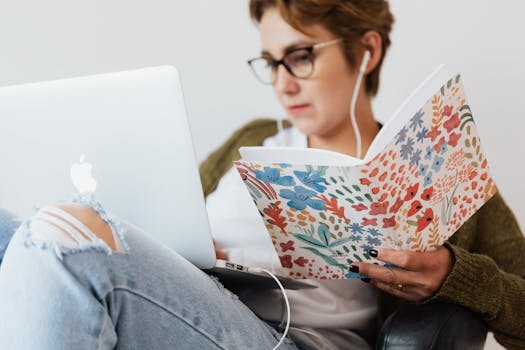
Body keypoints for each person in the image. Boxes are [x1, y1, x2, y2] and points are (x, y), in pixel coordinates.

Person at [0, 1, 524, 349]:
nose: (283, 84)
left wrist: (455, 274)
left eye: (299, 57)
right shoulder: (250, 140)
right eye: (272, 62)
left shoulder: (435, 167)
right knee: (20, 230)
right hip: (192, 303)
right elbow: (170, 221)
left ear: (366, 50)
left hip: (291, 339)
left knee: (67, 238)